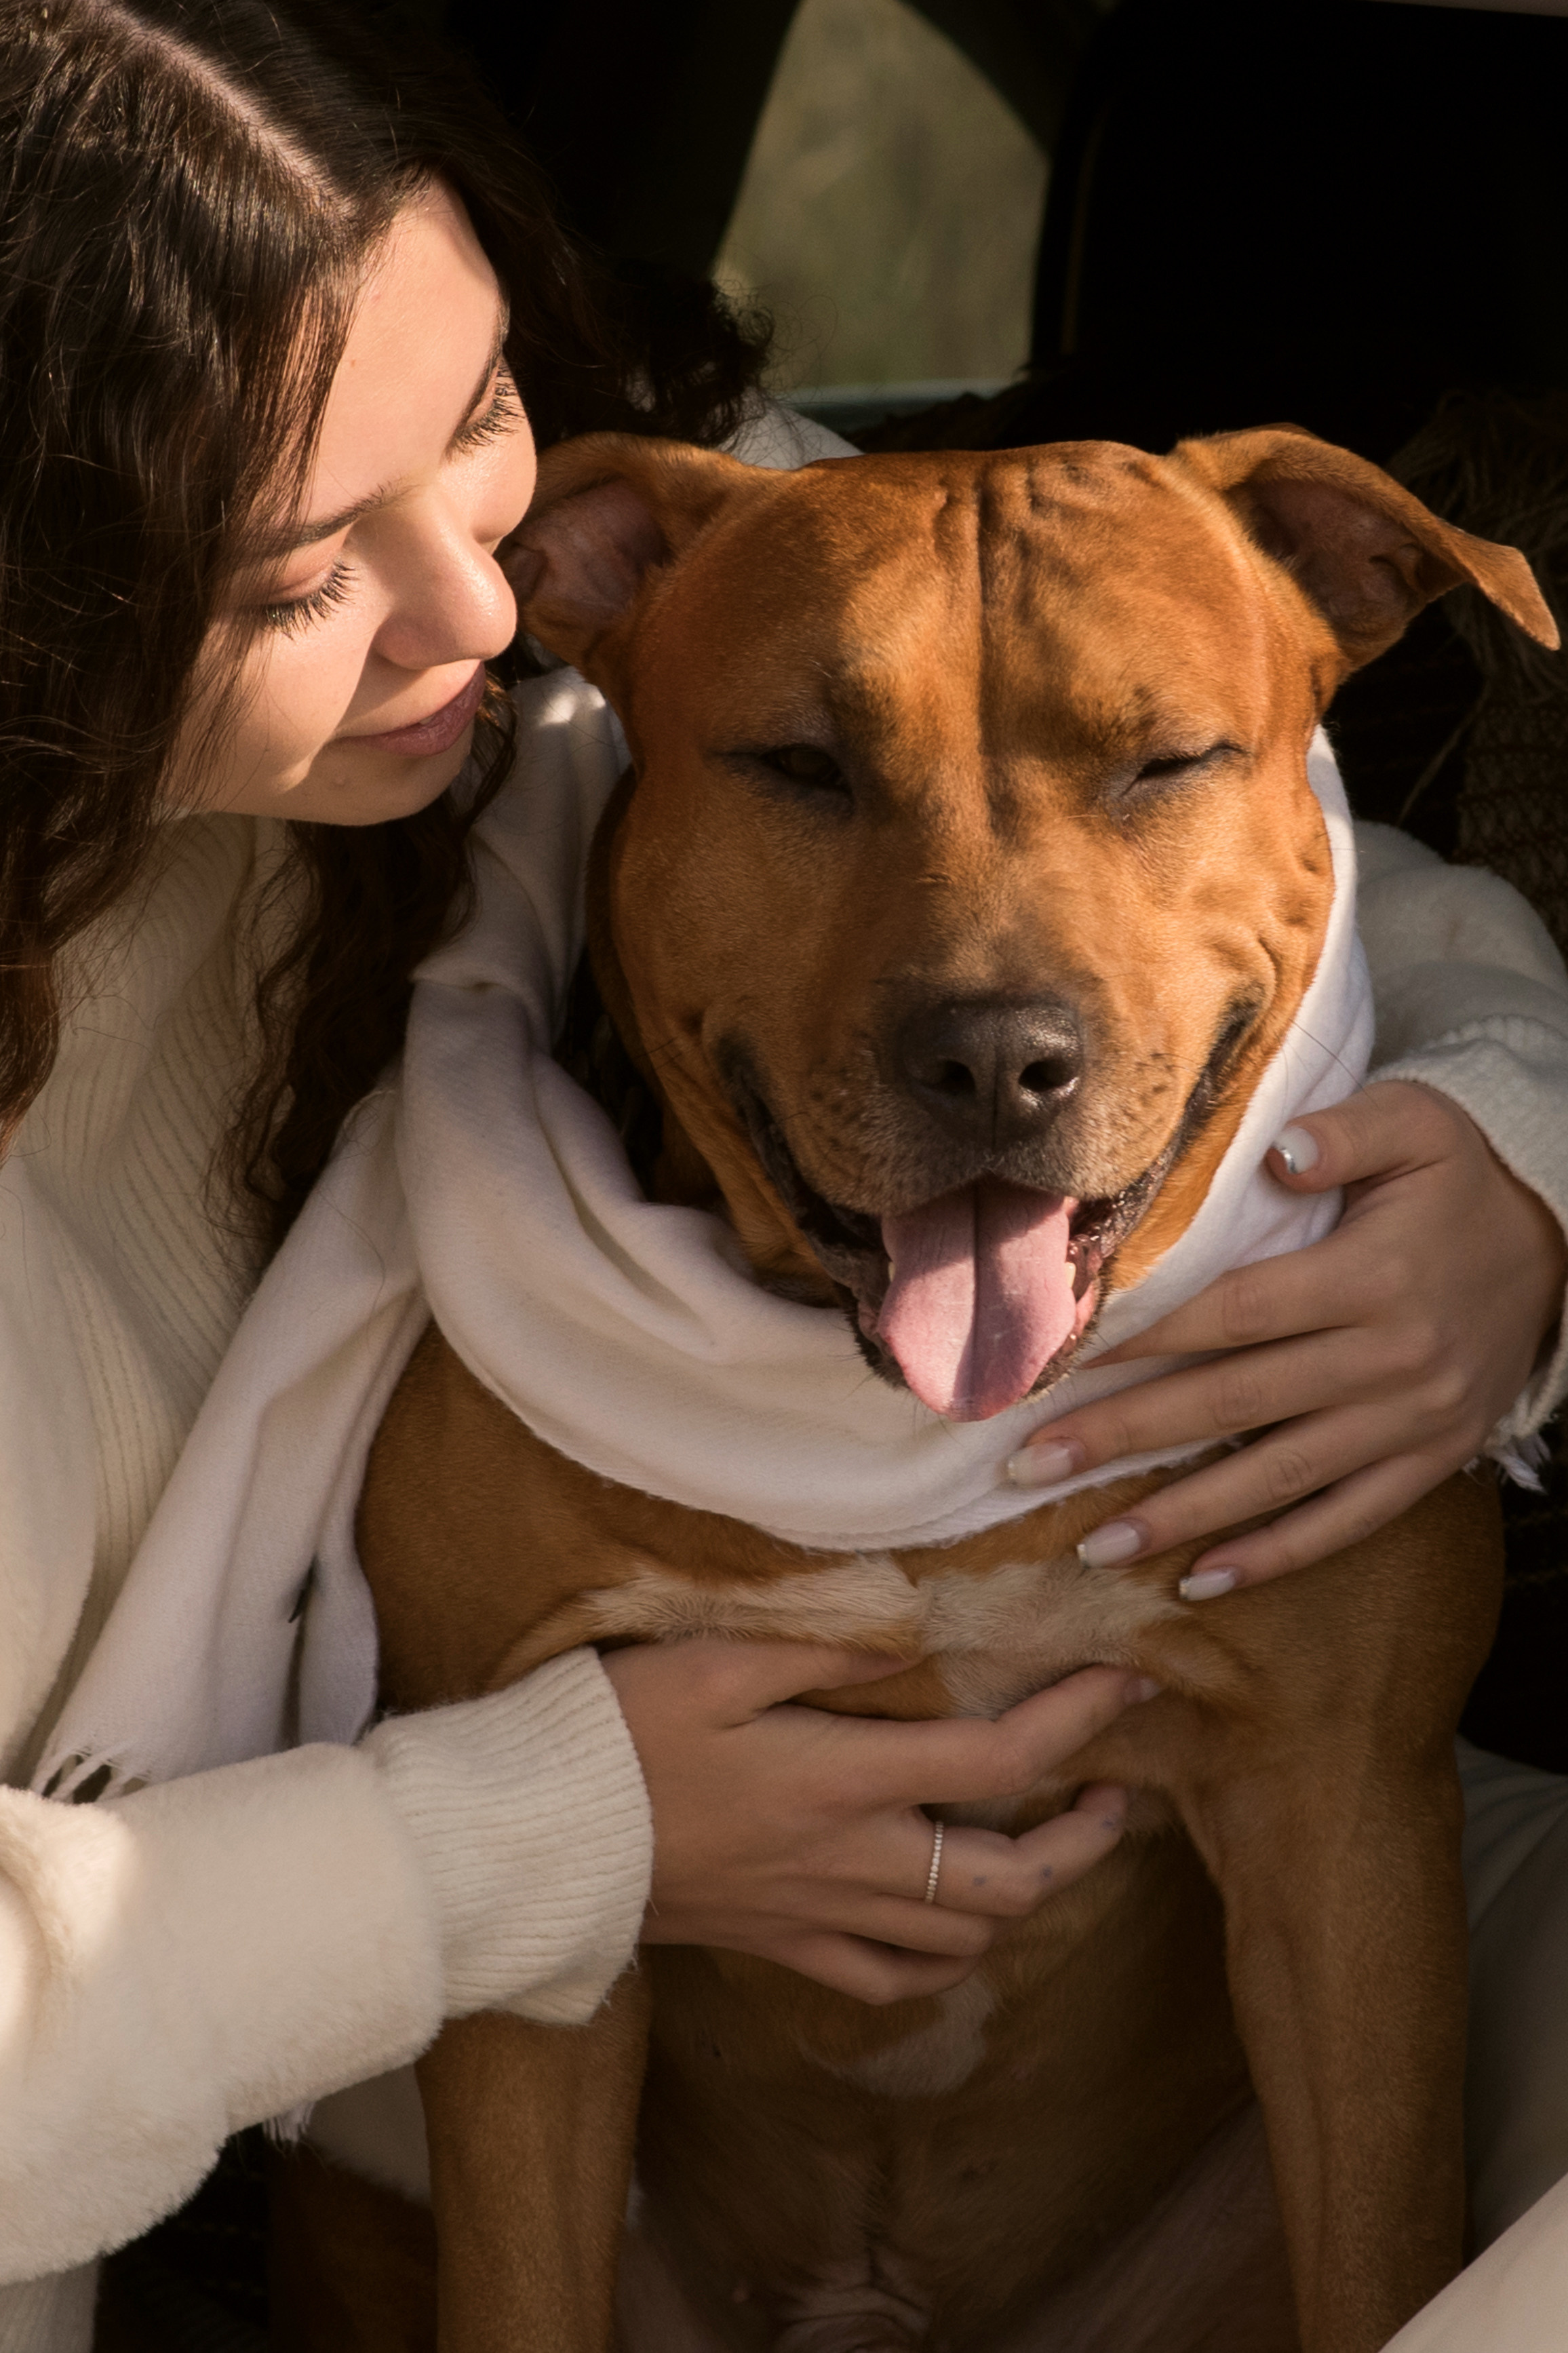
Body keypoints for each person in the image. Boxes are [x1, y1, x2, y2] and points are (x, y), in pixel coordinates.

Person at [0, 5, 1564, 2350]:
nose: (493, 610)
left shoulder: (642, 602)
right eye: (304, 569)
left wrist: (1523, 1158)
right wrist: (535, 1834)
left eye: (483, 432)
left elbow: (1250, 801)